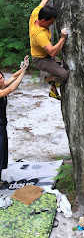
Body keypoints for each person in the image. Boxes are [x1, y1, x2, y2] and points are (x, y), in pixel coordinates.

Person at [29, 0, 68, 100]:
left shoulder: (37, 13)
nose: (52, 24)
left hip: (45, 55)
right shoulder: (39, 34)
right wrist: (63, 38)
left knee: (62, 64)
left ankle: (53, 90)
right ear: (44, 20)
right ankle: (48, 79)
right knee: (63, 74)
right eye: (50, 22)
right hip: (41, 59)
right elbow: (52, 52)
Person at [0, 56, 29, 189]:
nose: (3, 79)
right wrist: (22, 74)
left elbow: (12, 77)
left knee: (2, 152)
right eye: (0, 79)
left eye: (2, 77)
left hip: (2, 126)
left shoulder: (2, 86)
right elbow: (11, 89)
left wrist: (23, 68)